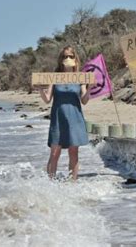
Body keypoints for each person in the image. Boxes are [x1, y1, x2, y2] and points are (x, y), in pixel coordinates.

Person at [37, 45, 90, 180]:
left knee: (74, 153)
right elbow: (47, 99)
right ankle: (51, 184)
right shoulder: (54, 77)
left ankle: (73, 184)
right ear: (61, 59)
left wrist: (90, 89)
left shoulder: (81, 77)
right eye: (65, 56)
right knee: (54, 153)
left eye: (71, 56)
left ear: (75, 60)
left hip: (75, 118)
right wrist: (39, 89)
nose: (68, 59)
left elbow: (84, 100)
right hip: (58, 119)